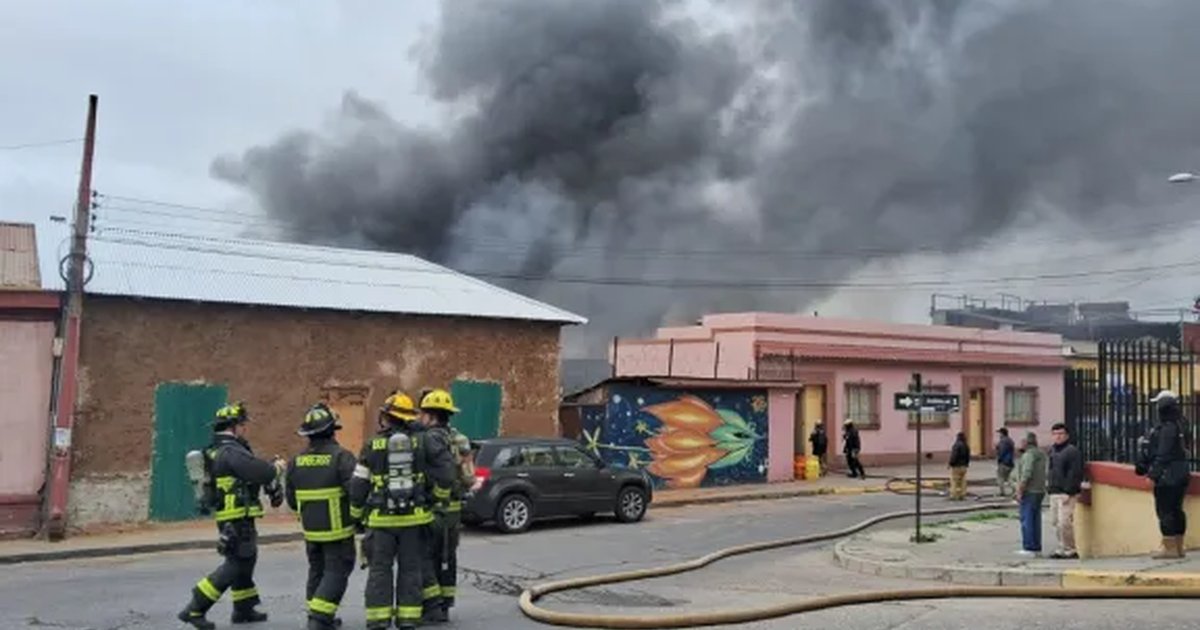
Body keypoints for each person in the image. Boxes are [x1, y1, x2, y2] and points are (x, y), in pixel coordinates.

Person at [350, 392, 456, 630]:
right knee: (411, 570)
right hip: (415, 521)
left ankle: (378, 620)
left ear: (386, 417)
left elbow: (358, 486)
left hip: (380, 521)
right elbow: (447, 474)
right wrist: (436, 500)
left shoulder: (372, 445)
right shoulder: (424, 441)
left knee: (380, 571)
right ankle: (408, 619)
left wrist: (356, 515)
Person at [178, 402, 285, 629]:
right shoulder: (231, 451)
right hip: (236, 517)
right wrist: (276, 468)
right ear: (235, 426)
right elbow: (260, 472)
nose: (246, 429)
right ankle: (195, 607)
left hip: (233, 516)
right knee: (236, 563)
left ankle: (243, 608)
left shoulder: (217, 449)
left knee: (247, 559)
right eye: (243, 425)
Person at [286, 403, 360, 630]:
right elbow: (356, 492)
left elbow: (291, 499)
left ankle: (321, 615)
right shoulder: (342, 457)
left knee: (317, 570)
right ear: (332, 430)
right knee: (337, 571)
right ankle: (318, 618)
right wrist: (359, 519)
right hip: (338, 531)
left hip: (311, 531)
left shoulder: (295, 461)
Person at [418, 388, 474, 623]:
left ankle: (431, 605)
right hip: (454, 510)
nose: (420, 418)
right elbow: (470, 477)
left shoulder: (425, 440)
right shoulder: (460, 439)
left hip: (433, 508)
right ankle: (446, 605)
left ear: (431, 416)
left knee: (426, 556)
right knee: (448, 557)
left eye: (423, 414)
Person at [1136, 390, 1191, 559]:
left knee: (1165, 510)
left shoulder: (1167, 428)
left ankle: (1169, 547)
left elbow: (1163, 454)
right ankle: (1179, 546)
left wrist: (1152, 475)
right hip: (1181, 472)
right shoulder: (1182, 424)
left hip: (1167, 475)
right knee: (1176, 509)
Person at [1047, 422, 1084, 560]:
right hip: (1054, 491)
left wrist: (1068, 492)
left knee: (1065, 522)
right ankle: (1061, 547)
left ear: (1066, 435)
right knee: (1055, 522)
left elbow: (1075, 473)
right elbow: (1050, 471)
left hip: (1066, 493)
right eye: (1055, 434)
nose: (1058, 436)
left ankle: (1070, 549)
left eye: (1061, 434)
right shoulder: (1052, 450)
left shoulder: (1072, 451)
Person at [1014, 431, 1048, 557]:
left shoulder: (1029, 455)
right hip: (1039, 489)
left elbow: (1026, 473)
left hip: (1029, 490)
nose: (1020, 444)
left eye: (1021, 441)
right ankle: (1036, 546)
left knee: (1026, 519)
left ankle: (1029, 547)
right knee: (1035, 519)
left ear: (1026, 442)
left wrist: (1020, 490)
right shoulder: (1041, 454)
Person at [948, 432, 970, 501]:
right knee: (963, 481)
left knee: (954, 481)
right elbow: (968, 457)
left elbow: (954, 456)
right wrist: (966, 464)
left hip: (956, 466)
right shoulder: (966, 445)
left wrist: (950, 463)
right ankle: (962, 495)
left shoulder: (956, 445)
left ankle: (954, 495)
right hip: (964, 466)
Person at [995, 428, 1016, 497]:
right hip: (1010, 462)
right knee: (1009, 478)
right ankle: (1015, 489)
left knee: (1000, 477)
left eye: (999, 433)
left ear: (1002, 433)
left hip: (1004, 462)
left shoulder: (1003, 441)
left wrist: (999, 458)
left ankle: (1002, 492)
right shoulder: (1010, 440)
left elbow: (1002, 451)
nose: (999, 435)